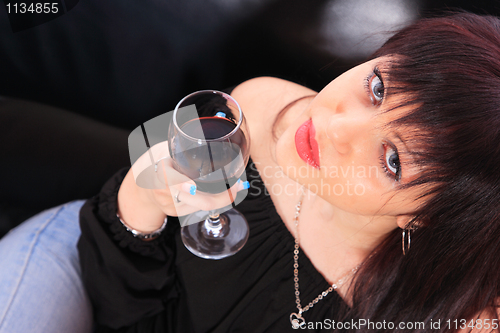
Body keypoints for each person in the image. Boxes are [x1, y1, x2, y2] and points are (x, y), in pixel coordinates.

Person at [1, 11, 500, 333]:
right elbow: (116, 279)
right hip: (92, 267)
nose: (335, 125)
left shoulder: (446, 315)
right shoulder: (264, 113)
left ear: (429, 218)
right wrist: (145, 192)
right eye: (376, 89)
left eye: (392, 160)